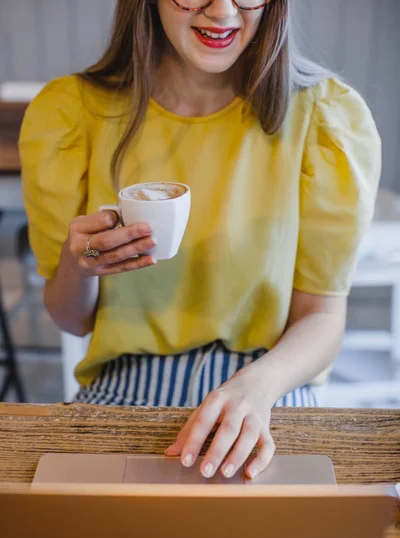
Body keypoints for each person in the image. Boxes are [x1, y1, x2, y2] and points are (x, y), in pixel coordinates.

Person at [19, 0, 381, 480]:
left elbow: (323, 318)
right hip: (122, 397)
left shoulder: (325, 117)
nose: (224, 11)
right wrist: (80, 266)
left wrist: (257, 387)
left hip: (271, 392)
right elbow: (71, 319)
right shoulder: (70, 112)